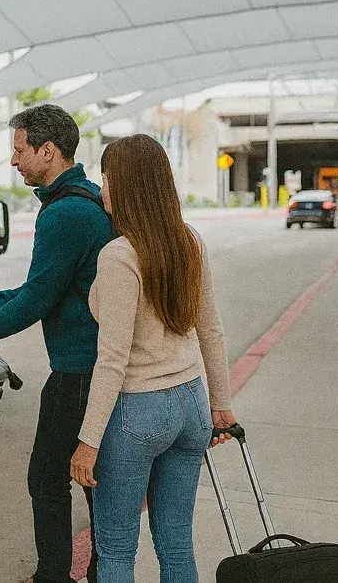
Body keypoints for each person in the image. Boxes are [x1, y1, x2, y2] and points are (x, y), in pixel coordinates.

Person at [0, 104, 114, 583]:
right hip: (96, 365)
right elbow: (51, 284)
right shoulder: (87, 201)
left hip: (79, 370)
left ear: (49, 150)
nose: (14, 161)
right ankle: (104, 570)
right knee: (90, 478)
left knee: (49, 477)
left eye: (20, 150)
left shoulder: (63, 215)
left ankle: (56, 576)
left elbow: (42, 297)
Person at [69, 134, 237, 583]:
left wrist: (88, 441)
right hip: (191, 406)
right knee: (177, 544)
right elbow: (211, 329)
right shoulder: (188, 241)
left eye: (105, 179)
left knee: (118, 549)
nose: (101, 190)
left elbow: (113, 358)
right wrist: (221, 406)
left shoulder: (120, 255)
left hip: (138, 411)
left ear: (127, 186)